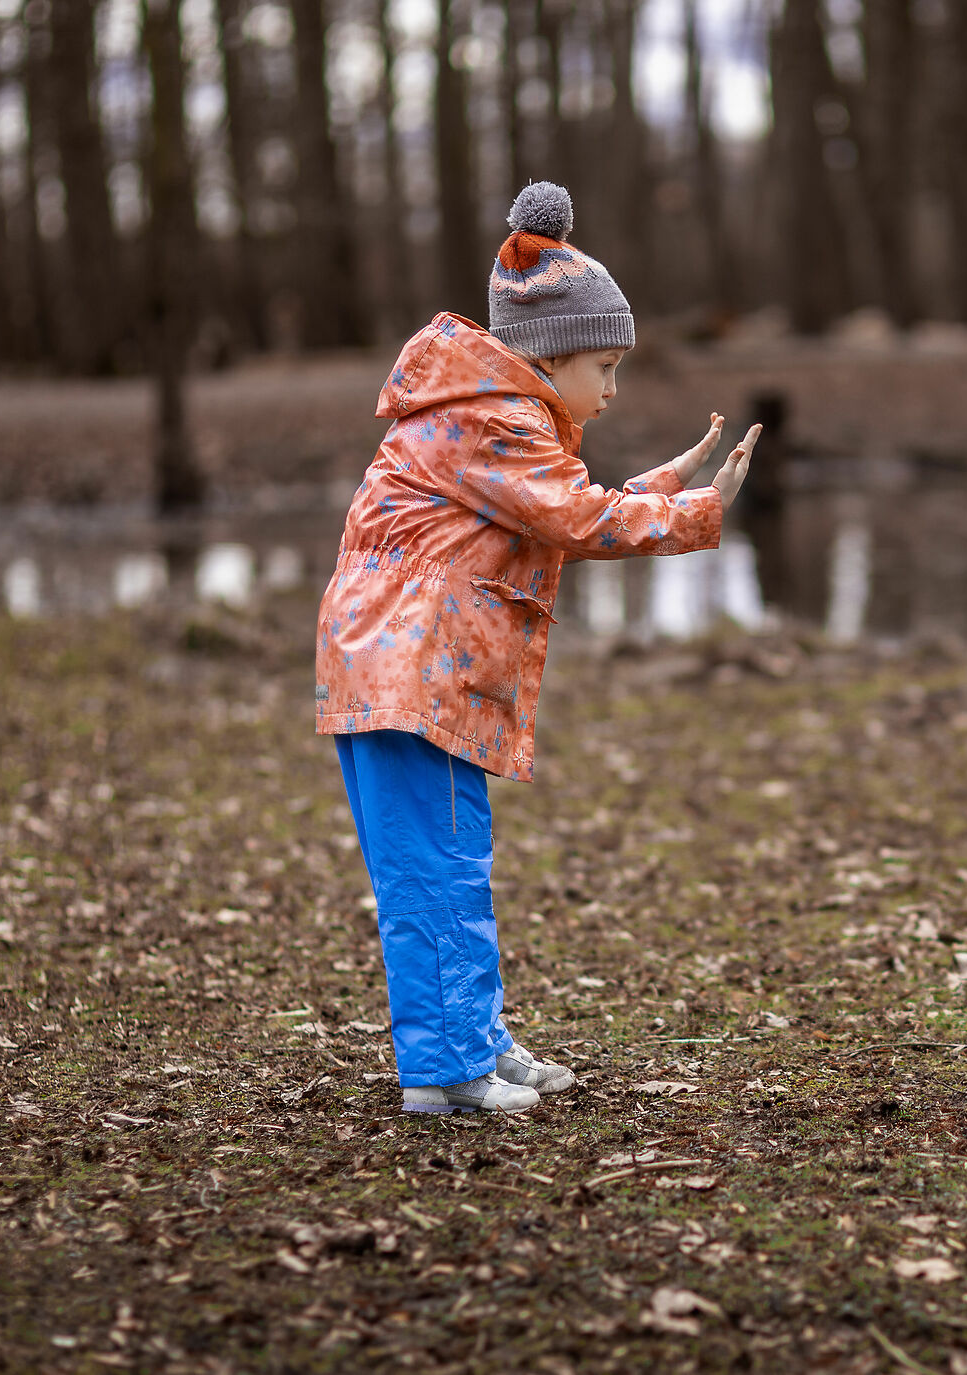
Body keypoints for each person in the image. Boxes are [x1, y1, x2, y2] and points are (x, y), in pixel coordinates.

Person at [316, 181, 757, 1114]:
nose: (612, 387)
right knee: (431, 873)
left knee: (452, 862)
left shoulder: (496, 420)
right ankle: (444, 1073)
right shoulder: (494, 420)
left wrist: (660, 481)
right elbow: (575, 515)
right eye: (605, 364)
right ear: (549, 358)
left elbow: (551, 512)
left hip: (415, 672)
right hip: (411, 675)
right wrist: (695, 509)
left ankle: (473, 1040)